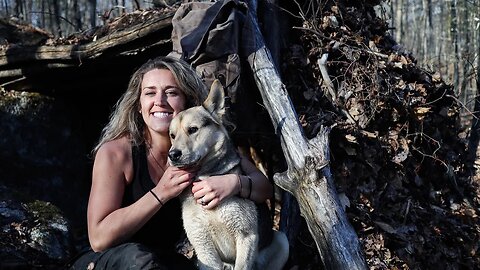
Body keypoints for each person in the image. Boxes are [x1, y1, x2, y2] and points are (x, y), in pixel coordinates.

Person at [68, 56, 273, 269]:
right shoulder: (116, 152)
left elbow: (264, 188)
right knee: (140, 259)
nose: (159, 100)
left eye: (171, 92)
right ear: (139, 106)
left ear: (187, 102)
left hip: (160, 260)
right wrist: (161, 193)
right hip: (109, 262)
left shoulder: (203, 151)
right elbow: (99, 239)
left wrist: (235, 184)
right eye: (149, 93)